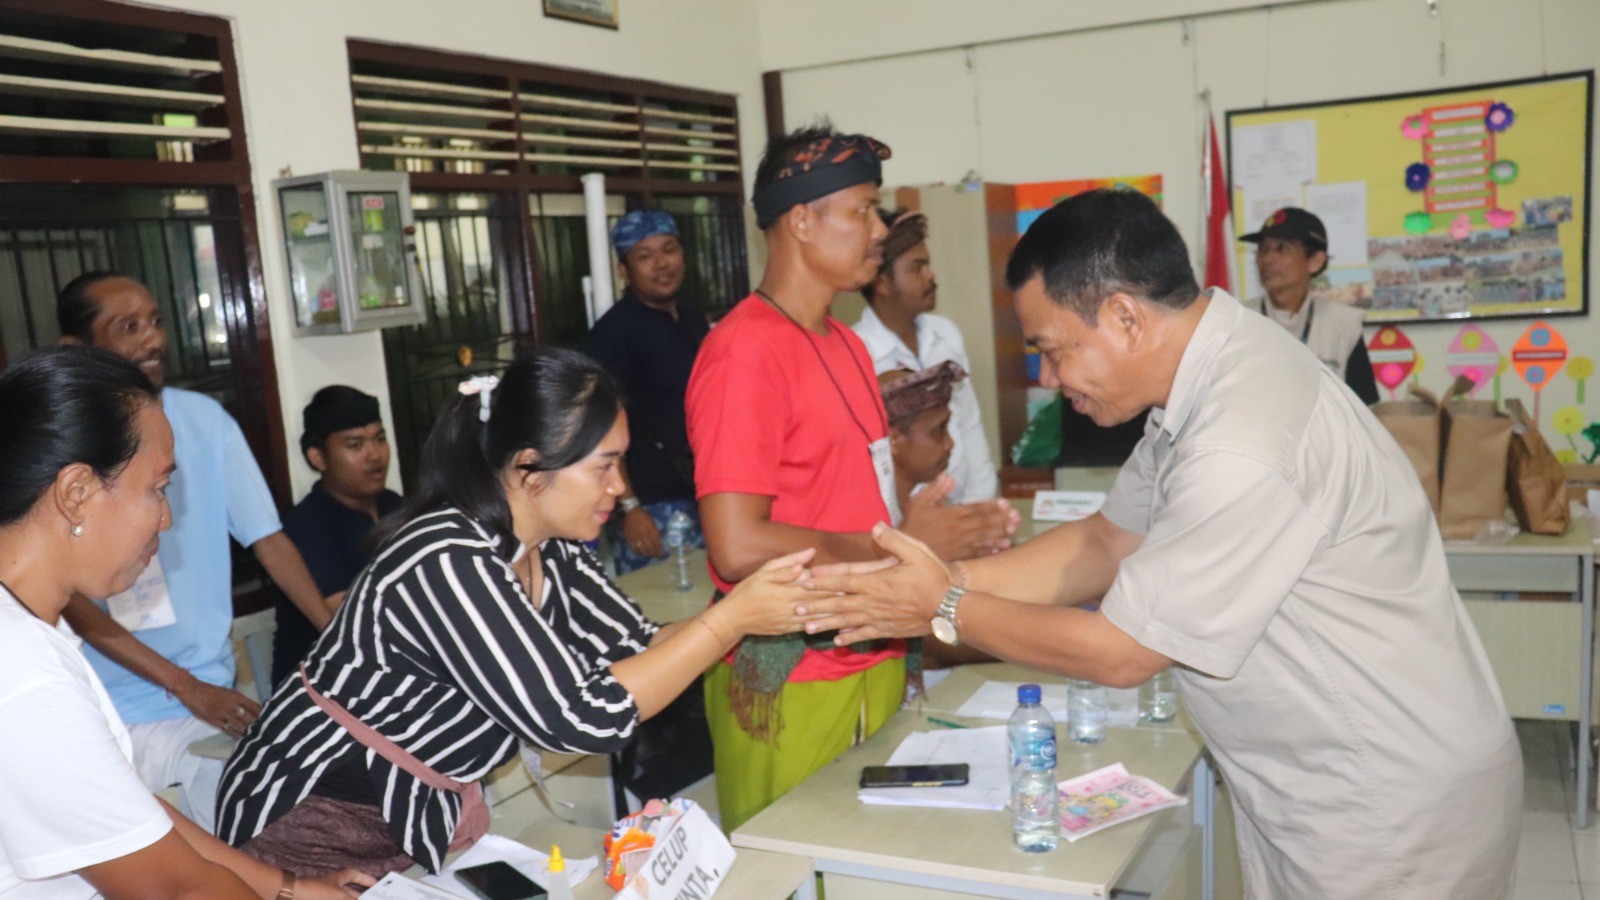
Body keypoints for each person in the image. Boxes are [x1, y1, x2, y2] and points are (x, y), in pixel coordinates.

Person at [801, 190, 1520, 899]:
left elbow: (1123, 652)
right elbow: (1105, 541)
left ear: (1125, 317)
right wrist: (939, 576)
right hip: (1328, 782)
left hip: (1383, 803)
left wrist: (943, 606)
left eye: (1052, 350)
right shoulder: (1208, 378)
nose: (1049, 378)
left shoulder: (1242, 434)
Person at [217, 349, 818, 877]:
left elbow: (640, 645)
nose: (618, 488)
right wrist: (730, 620)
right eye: (603, 466)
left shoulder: (550, 550)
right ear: (530, 469)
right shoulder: (447, 558)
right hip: (308, 817)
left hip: (408, 817)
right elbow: (580, 717)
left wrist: (775, 606)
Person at [685, 122, 1018, 831]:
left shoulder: (846, 346)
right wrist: (893, 547)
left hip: (875, 648)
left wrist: (925, 529)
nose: (879, 230)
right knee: (798, 862)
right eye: (862, 210)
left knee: (880, 863)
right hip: (792, 673)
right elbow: (737, 545)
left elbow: (861, 500)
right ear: (801, 221)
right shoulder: (744, 351)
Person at [0, 346, 371, 899]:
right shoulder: (25, 673)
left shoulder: (27, 633)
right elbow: (175, 891)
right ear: (76, 493)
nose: (167, 519)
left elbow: (131, 815)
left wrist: (287, 888)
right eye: (157, 489)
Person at [54, 271, 336, 833]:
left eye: (156, 321)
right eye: (128, 327)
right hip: (108, 713)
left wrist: (338, 637)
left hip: (208, 701)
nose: (153, 339)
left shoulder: (204, 421)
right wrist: (183, 686)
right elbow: (66, 600)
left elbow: (269, 541)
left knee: (291, 802)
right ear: (76, 347)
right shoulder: (61, 444)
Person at [584, 209, 709, 574]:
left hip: (705, 494)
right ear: (624, 270)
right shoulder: (613, 333)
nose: (661, 264)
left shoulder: (692, 318)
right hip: (652, 507)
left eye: (669, 249)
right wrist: (630, 508)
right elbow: (599, 426)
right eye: (644, 255)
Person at [854, 209, 999, 502]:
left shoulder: (945, 333)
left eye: (928, 265)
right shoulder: (857, 353)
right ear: (882, 282)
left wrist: (983, 503)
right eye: (917, 268)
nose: (931, 276)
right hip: (908, 515)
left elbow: (969, 423)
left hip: (964, 504)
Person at [269, 386, 402, 686]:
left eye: (380, 439)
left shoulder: (395, 506)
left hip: (388, 677)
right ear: (318, 458)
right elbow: (354, 619)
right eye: (355, 445)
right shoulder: (307, 525)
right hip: (322, 691)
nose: (374, 455)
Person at [1240, 207, 1380, 404]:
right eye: (1263, 249)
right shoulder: (1238, 321)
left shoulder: (1343, 324)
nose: (1267, 259)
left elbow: (1363, 407)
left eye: (1282, 248)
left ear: (1315, 261)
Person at [878, 362, 964, 518]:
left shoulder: (934, 508)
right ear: (893, 440)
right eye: (938, 431)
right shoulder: (864, 518)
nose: (949, 444)